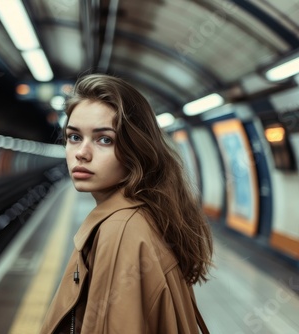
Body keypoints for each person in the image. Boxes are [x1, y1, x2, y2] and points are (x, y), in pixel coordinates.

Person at [40, 74, 213, 334]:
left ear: (136, 149)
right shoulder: (147, 214)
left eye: (104, 140)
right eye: (74, 137)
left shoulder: (120, 231)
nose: (81, 153)